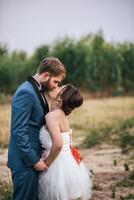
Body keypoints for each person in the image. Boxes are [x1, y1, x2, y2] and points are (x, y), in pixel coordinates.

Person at [7, 57, 66, 200]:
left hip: (32, 159)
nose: (55, 86)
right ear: (45, 75)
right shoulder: (26, 92)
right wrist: (34, 160)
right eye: (55, 81)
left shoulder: (37, 91)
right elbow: (18, 131)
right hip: (25, 162)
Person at [38, 84, 93, 200]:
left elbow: (58, 144)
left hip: (57, 164)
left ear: (60, 99)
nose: (55, 87)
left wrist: (46, 163)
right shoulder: (61, 115)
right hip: (66, 160)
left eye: (60, 87)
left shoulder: (52, 116)